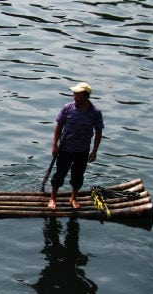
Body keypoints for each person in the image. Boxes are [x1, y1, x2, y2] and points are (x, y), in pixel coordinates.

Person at [48, 82, 103, 210]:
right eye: (74, 94)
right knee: (59, 174)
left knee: (78, 176)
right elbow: (58, 127)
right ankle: (53, 198)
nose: (74, 96)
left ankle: (73, 198)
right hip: (65, 149)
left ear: (85, 96)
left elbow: (99, 132)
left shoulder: (95, 112)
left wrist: (94, 151)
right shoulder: (68, 108)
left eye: (77, 94)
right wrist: (54, 145)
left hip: (82, 150)